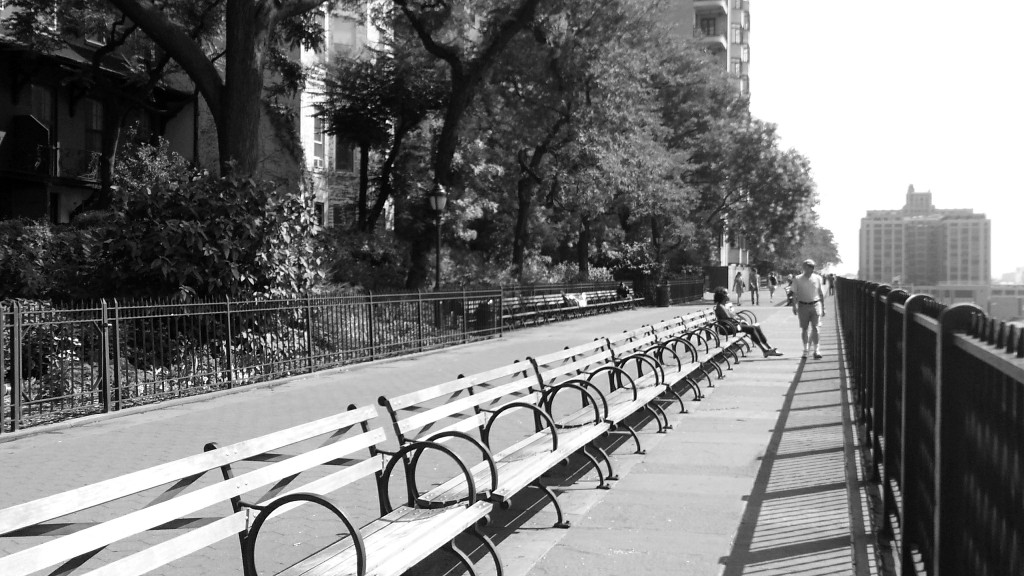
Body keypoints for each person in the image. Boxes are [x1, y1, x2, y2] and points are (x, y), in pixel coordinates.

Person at [713, 287, 782, 357]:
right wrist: (740, 322)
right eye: (726, 293)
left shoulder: (724, 305)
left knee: (756, 327)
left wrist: (740, 320)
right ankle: (764, 350)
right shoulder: (720, 307)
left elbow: (732, 317)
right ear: (723, 296)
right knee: (751, 329)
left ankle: (769, 347)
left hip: (732, 326)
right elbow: (728, 319)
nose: (728, 294)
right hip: (727, 329)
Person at [791, 258, 827, 359]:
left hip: (815, 305)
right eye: (807, 266)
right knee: (804, 328)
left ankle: (816, 350)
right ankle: (806, 349)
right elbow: (794, 294)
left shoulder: (818, 278)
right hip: (803, 305)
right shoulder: (798, 279)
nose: (810, 268)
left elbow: (821, 293)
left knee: (815, 328)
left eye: (811, 266)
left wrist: (823, 307)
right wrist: (794, 306)